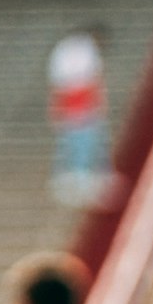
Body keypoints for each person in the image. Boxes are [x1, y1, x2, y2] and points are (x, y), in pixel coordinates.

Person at [47, 26, 111, 208]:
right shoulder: (82, 49)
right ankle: (78, 181)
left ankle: (85, 180)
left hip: (77, 105)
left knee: (84, 144)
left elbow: (59, 85)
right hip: (78, 106)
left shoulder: (69, 50)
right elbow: (91, 81)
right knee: (78, 145)